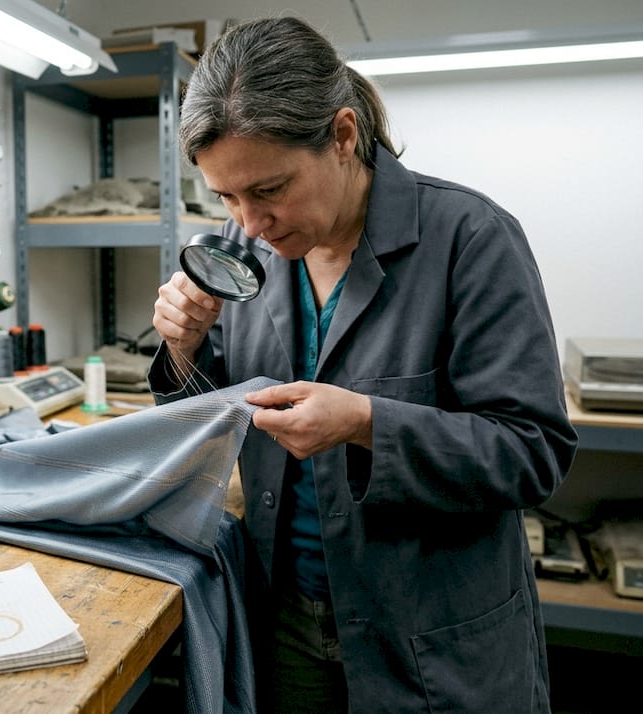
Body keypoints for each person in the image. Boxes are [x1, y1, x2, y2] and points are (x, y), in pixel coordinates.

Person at [149, 15, 578, 714]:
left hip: (429, 635)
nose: (249, 224)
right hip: (287, 617)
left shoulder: (471, 239)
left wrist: (366, 423)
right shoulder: (250, 248)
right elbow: (208, 419)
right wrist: (183, 345)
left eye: (270, 189)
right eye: (227, 197)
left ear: (344, 136)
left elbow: (534, 452)